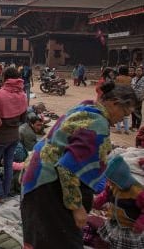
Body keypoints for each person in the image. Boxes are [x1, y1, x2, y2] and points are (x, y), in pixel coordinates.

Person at [20, 82, 138, 248]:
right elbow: (67, 168)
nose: (123, 118)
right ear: (114, 103)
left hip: (37, 179)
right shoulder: (98, 123)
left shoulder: (87, 108)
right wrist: (77, 208)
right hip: (49, 188)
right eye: (125, 113)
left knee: (41, 239)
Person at [0, 67, 27, 200]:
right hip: (15, 135)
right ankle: (5, 191)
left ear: (5, 78)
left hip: (0, 136)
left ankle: (0, 193)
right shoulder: (23, 94)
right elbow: (23, 118)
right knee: (8, 165)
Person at [93, 155, 144, 248]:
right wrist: (97, 202)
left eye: (110, 179)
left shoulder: (137, 192)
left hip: (130, 227)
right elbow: (105, 195)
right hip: (115, 221)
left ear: (120, 178)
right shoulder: (113, 186)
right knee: (110, 238)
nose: (108, 181)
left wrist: (141, 223)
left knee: (126, 245)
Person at [115, 65, 132, 134]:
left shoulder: (118, 78)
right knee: (126, 115)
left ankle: (118, 129)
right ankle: (126, 130)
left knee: (119, 114)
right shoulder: (130, 78)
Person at [132, 66, 144, 130]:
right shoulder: (133, 79)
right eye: (137, 70)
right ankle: (133, 125)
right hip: (133, 98)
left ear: (142, 71)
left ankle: (137, 126)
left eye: (139, 70)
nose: (138, 72)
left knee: (138, 112)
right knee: (132, 111)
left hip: (139, 98)